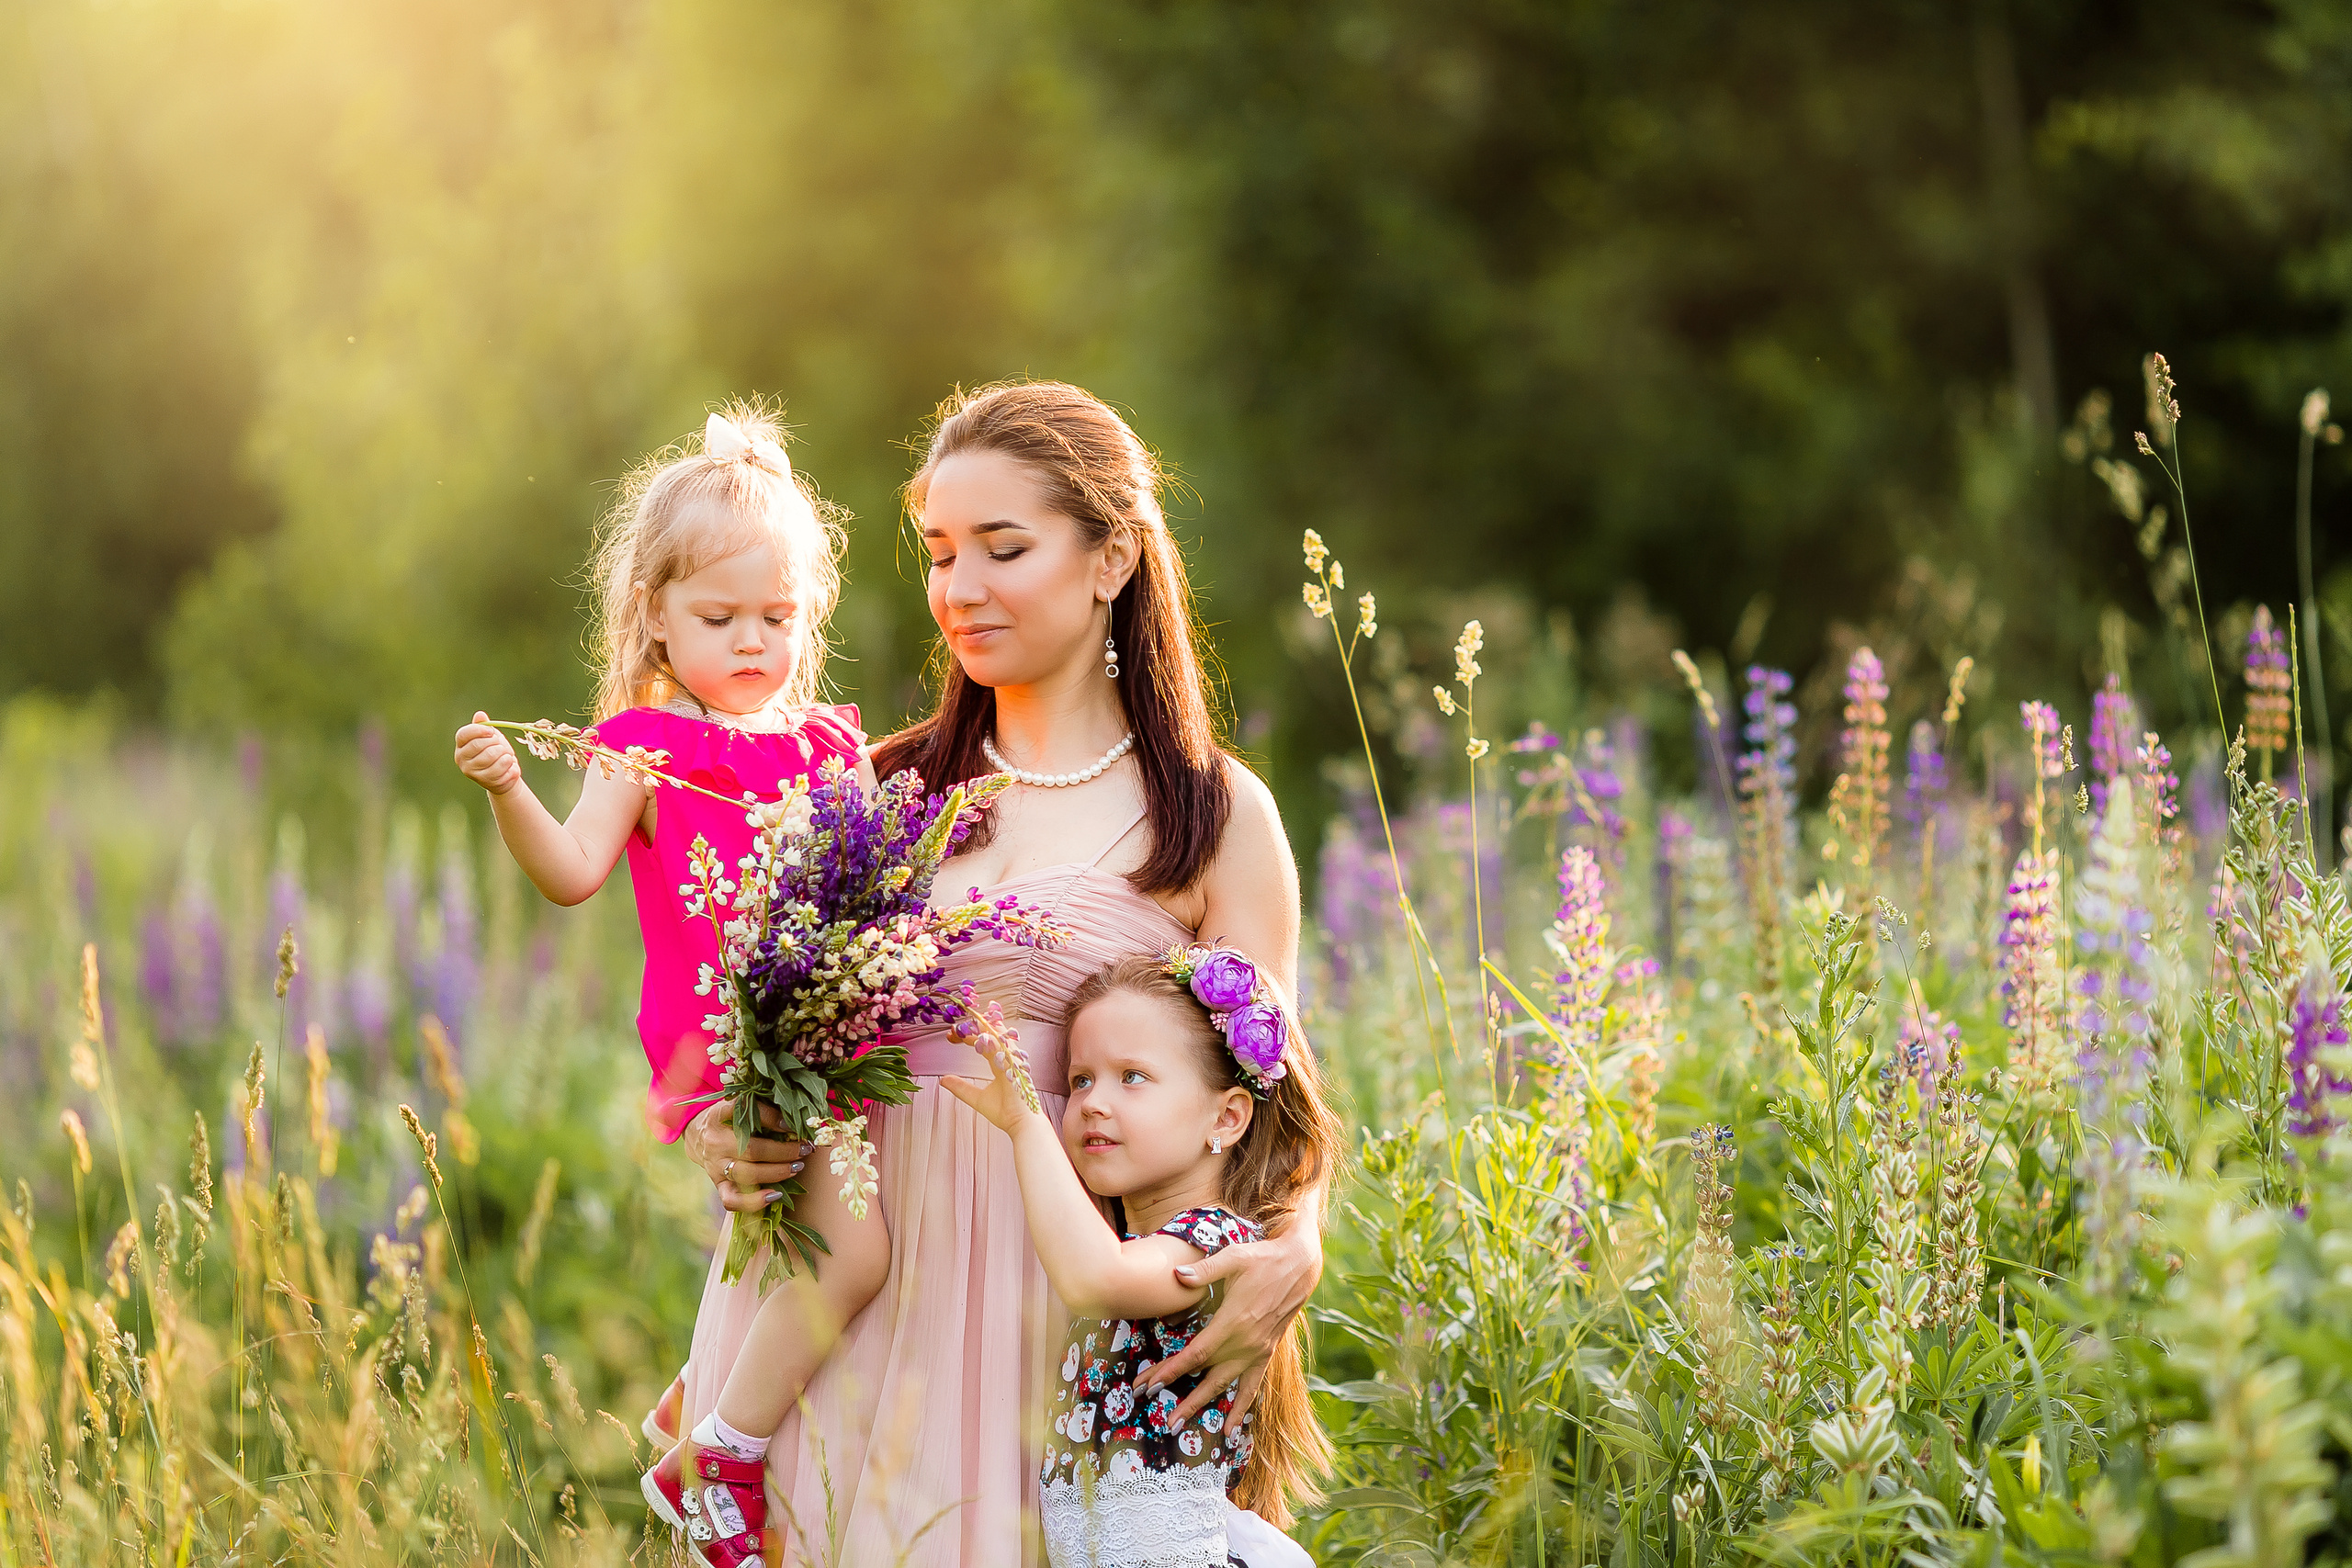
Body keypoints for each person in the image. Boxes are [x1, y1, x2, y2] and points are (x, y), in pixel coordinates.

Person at [672, 380, 1329, 1564]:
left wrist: (1297, 1247)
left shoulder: (1214, 815)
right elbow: (772, 1042)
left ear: (1110, 557)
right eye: (937, 552)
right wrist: (737, 1132)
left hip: (1058, 1307)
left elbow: (1273, 1101)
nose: (959, 589)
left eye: (1003, 548)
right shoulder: (877, 794)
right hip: (857, 1295)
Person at [453, 403, 885, 1568]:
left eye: (779, 618)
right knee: (852, 1254)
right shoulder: (641, 746)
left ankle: (696, 1396)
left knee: (808, 1246)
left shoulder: (829, 749)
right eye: (719, 617)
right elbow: (572, 874)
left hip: (829, 1036)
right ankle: (717, 1454)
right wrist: (509, 794)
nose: (754, 642)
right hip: (727, 1050)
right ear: (652, 616)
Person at [943, 950, 1338, 1566]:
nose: (1095, 1101)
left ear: (1226, 1116)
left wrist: (1025, 1123)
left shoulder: (1219, 1244)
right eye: (1080, 1080)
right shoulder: (1133, 1241)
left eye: (1132, 1077)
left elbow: (1094, 1279)